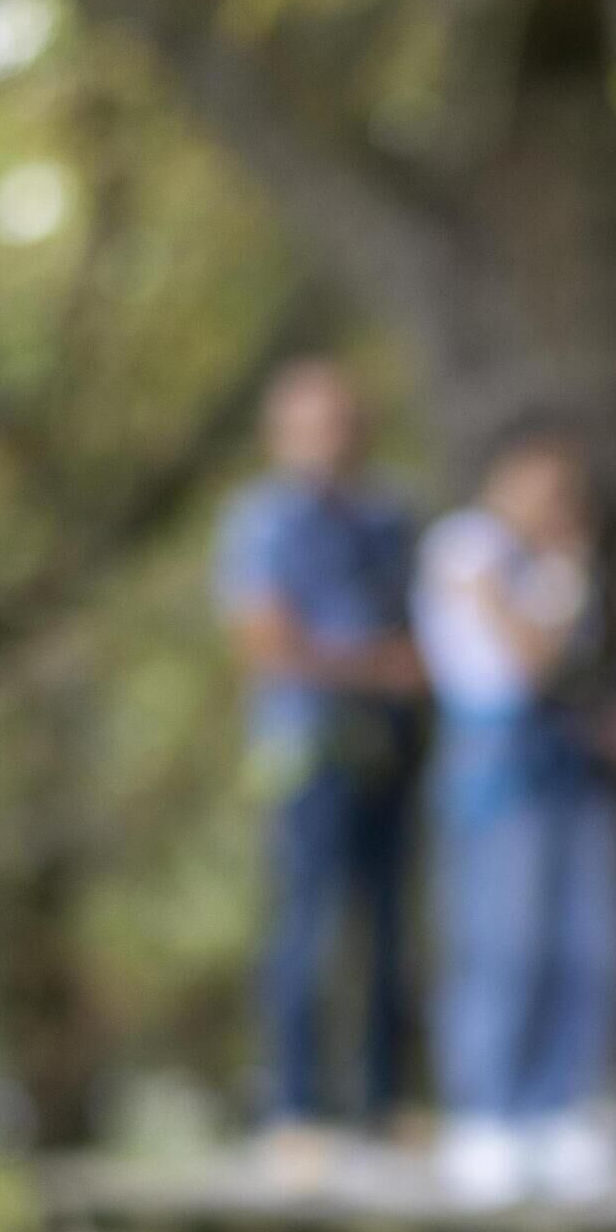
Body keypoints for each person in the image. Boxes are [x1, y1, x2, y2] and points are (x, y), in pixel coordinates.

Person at [411, 420, 616, 1205]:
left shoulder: (554, 566)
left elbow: (560, 654)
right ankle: (484, 1111)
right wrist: (558, 575)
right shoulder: (465, 545)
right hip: (495, 757)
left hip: (568, 756)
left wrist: (554, 578)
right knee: (501, 939)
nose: (552, 502)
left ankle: (556, 1107)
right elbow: (529, 658)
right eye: (541, 484)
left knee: (579, 939)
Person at [214, 358, 424, 1139]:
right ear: (279, 435)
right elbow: (266, 642)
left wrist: (388, 667)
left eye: (342, 423)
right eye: (312, 425)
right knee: (306, 928)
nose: (330, 440)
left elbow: (423, 633)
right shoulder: (260, 522)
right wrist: (375, 666)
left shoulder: (391, 517)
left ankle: (383, 1103)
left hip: (393, 745)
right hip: (306, 747)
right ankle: (293, 1109)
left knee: (391, 928)